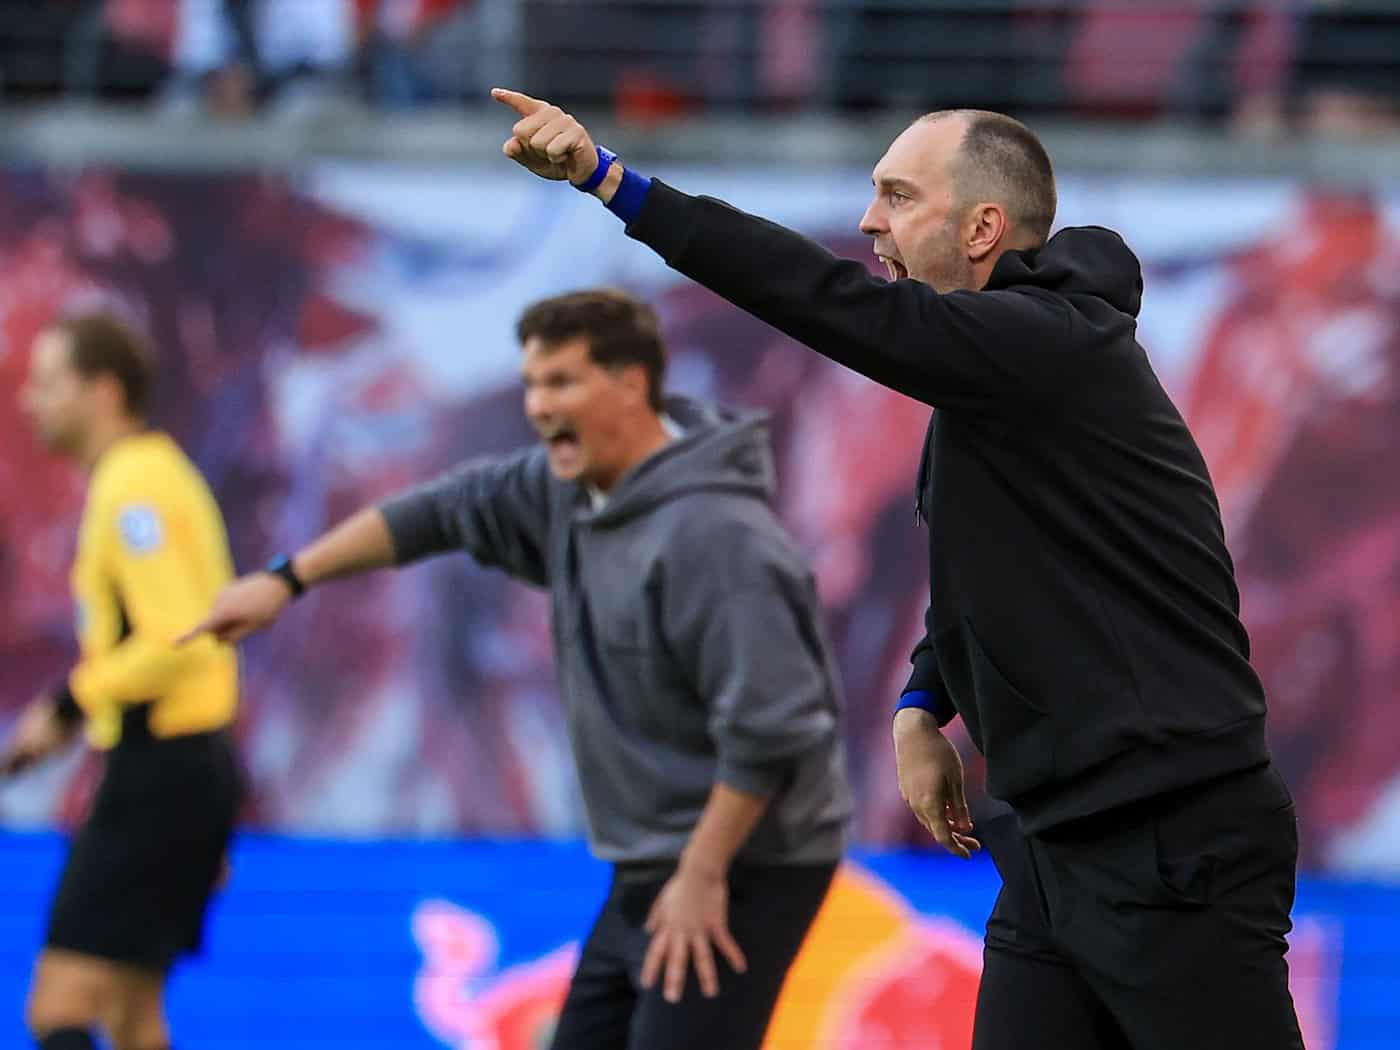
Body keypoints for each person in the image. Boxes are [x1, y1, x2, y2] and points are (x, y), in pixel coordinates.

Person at [488, 89, 1304, 1049]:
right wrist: (925, 702)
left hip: (1171, 841)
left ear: (982, 227)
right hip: (1055, 847)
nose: (869, 221)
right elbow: (991, 568)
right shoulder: (1001, 376)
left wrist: (611, 182)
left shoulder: (1047, 350)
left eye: (897, 195)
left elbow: (822, 298)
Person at [182, 288, 851, 1050]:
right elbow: (435, 512)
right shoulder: (567, 491)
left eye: (561, 382)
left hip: (747, 858)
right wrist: (286, 579)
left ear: (633, 384)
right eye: (532, 384)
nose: (538, 406)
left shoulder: (720, 538)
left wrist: (702, 877)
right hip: (654, 855)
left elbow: (777, 733)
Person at [3, 313, 243, 1050]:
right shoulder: (147, 473)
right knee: (135, 1019)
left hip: (160, 775)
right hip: (184, 767)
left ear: (103, 391)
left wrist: (68, 702)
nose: (28, 401)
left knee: (58, 1009)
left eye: (48, 383)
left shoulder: (134, 485)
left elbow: (179, 637)